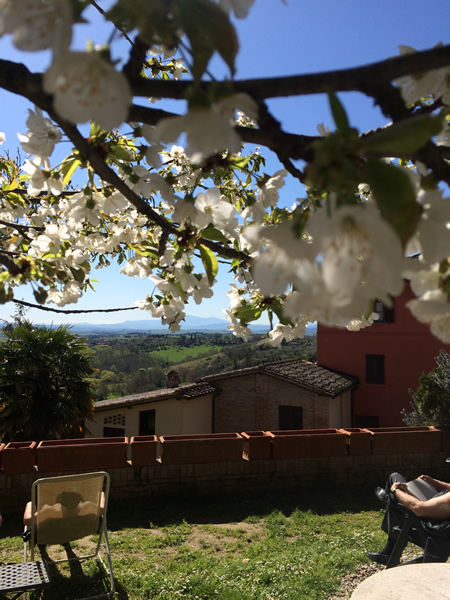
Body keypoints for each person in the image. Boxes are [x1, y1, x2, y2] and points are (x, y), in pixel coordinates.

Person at [368, 472, 450, 565]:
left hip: (428, 528)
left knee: (394, 494)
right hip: (435, 511)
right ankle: (391, 501)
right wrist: (435, 483)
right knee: (395, 476)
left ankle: (391, 501)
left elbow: (419, 508)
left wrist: (396, 491)